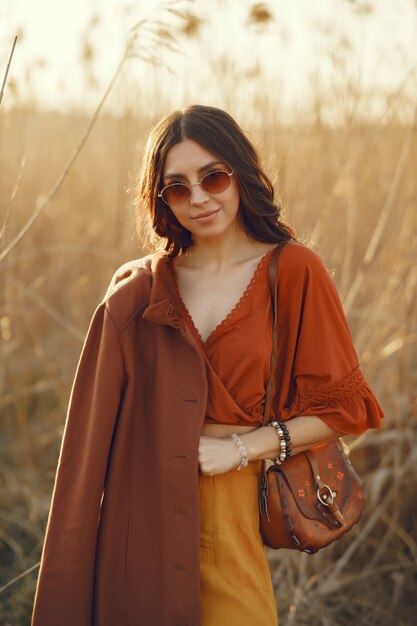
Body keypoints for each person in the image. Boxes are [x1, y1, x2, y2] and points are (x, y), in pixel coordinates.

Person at [31, 104, 383, 626]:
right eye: (177, 187)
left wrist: (240, 449)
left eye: (212, 177)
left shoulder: (292, 270)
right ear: (162, 200)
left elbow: (346, 409)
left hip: (230, 511)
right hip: (141, 511)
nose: (198, 198)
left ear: (241, 173)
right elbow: (84, 455)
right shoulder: (141, 289)